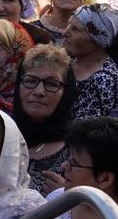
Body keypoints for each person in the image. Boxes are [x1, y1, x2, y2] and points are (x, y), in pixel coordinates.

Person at [13, 44, 77, 195]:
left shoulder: (77, 149)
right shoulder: (0, 134)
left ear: (66, 92)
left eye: (51, 84)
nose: (39, 91)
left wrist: (66, 195)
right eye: (30, 81)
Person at [65, 4, 118, 121]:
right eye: (68, 25)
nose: (64, 32)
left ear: (99, 40)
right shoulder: (70, 62)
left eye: (75, 29)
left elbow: (85, 133)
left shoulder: (105, 79)